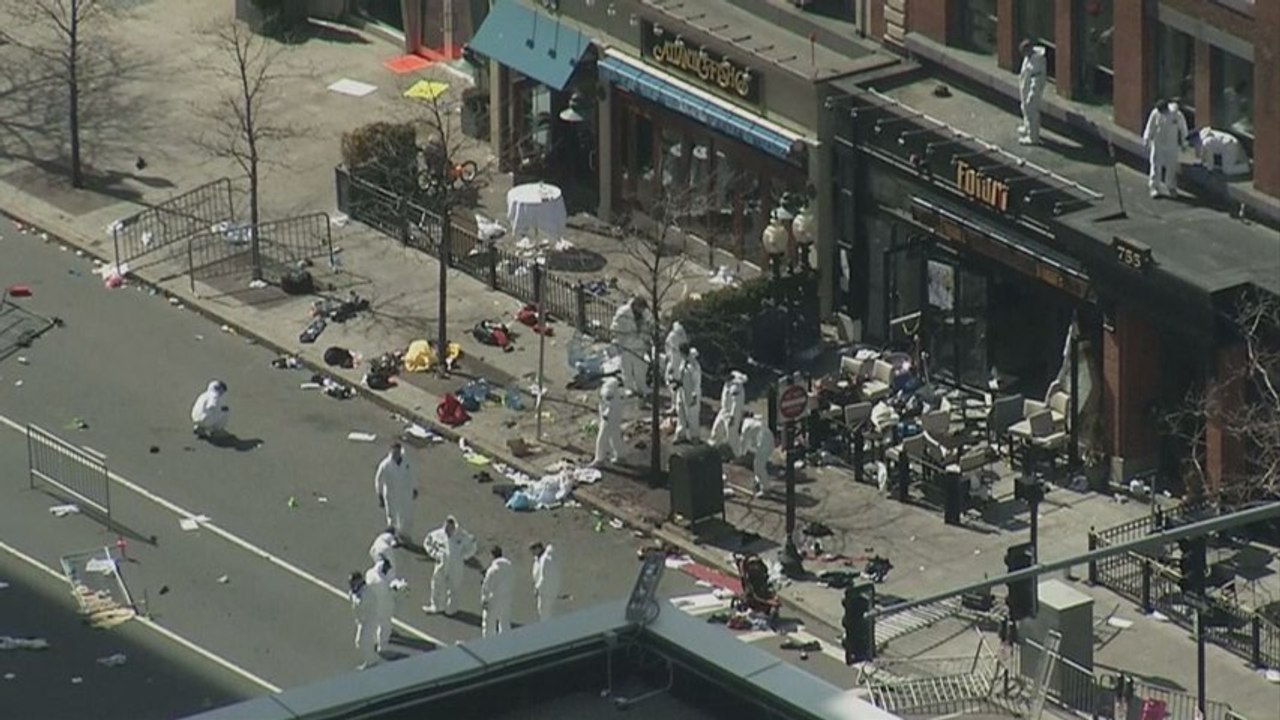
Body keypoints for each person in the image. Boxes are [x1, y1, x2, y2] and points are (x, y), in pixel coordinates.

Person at [422, 515, 476, 616]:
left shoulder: (462, 536)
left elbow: (472, 546)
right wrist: (434, 554)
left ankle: (451, 609)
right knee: (437, 583)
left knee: (454, 586)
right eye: (447, 526)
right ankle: (436, 606)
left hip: (456, 565)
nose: (448, 529)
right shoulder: (437, 534)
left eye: (450, 527)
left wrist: (464, 556)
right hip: (442, 563)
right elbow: (427, 542)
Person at [1142, 99, 1190, 198]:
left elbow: (1183, 128)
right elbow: (1150, 126)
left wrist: (1184, 143)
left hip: (1171, 144)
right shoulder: (1155, 113)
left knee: (1171, 166)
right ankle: (1154, 187)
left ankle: (1171, 187)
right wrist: (1147, 138)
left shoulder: (1177, 115)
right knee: (1155, 165)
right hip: (1158, 143)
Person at [374, 442, 417, 545]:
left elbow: (412, 475)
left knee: (406, 515)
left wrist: (414, 488)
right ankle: (393, 537)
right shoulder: (385, 465)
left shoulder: (406, 463)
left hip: (405, 493)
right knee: (392, 516)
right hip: (391, 494)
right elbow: (378, 480)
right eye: (394, 452)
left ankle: (405, 536)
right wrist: (379, 494)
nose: (396, 455)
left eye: (397, 452)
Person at [610, 298, 652, 396]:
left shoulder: (644, 314)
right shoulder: (623, 312)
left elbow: (647, 327)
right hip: (626, 345)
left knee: (640, 368)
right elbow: (615, 327)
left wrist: (646, 339)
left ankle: (642, 387)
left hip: (639, 345)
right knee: (627, 368)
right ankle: (629, 388)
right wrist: (617, 339)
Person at [709, 370, 747, 455]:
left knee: (731, 435)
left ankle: (737, 454)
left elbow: (736, 403)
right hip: (724, 410)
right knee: (717, 428)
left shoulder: (735, 387)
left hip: (732, 414)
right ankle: (713, 446)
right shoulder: (728, 381)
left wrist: (732, 417)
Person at [480, 545, 514, 638]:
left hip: (494, 598)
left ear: (492, 555)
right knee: (504, 621)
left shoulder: (493, 569)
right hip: (506, 597)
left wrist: (484, 599)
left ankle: (489, 642)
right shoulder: (509, 566)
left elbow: (487, 586)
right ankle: (505, 640)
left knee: (489, 623)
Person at [1017, 40, 1047, 145]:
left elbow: (1036, 80)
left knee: (1032, 112)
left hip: (1033, 90)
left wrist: (1032, 93)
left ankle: (1033, 137)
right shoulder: (1028, 57)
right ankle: (1027, 127)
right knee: (1025, 108)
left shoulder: (1037, 61)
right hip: (1026, 87)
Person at [349, 571, 380, 670]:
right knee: (364, 640)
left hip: (368, 620)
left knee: (361, 641)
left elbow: (366, 605)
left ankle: (370, 661)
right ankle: (372, 654)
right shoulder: (354, 591)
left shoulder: (367, 593)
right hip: (361, 620)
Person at [738, 414, 775, 497]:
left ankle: (766, 489)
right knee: (759, 464)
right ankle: (759, 481)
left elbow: (743, 441)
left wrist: (740, 454)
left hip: (764, 443)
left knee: (758, 466)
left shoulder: (745, 426)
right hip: (769, 440)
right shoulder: (752, 422)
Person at [592, 376, 625, 467]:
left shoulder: (608, 391)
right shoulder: (618, 393)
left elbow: (609, 405)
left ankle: (599, 459)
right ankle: (620, 455)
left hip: (608, 418)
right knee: (615, 436)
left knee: (602, 438)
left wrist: (606, 415)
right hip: (615, 417)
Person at [673, 346, 702, 443]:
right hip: (682, 391)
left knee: (692, 415)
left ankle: (695, 436)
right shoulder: (683, 362)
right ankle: (681, 434)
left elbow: (696, 382)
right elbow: (682, 375)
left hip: (691, 393)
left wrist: (694, 395)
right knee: (680, 412)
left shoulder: (694, 365)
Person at [530, 541, 561, 621]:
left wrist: (537, 588)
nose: (532, 553)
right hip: (544, 591)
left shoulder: (545, 560)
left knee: (545, 613)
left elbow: (544, 577)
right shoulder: (539, 559)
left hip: (546, 592)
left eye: (533, 550)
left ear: (538, 548)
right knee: (543, 612)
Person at [664, 321, 689, 393]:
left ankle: (677, 382)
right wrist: (668, 353)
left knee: (678, 368)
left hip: (679, 354)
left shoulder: (682, 334)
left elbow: (685, 343)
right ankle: (671, 381)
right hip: (675, 354)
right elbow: (667, 344)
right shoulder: (674, 335)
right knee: (673, 367)